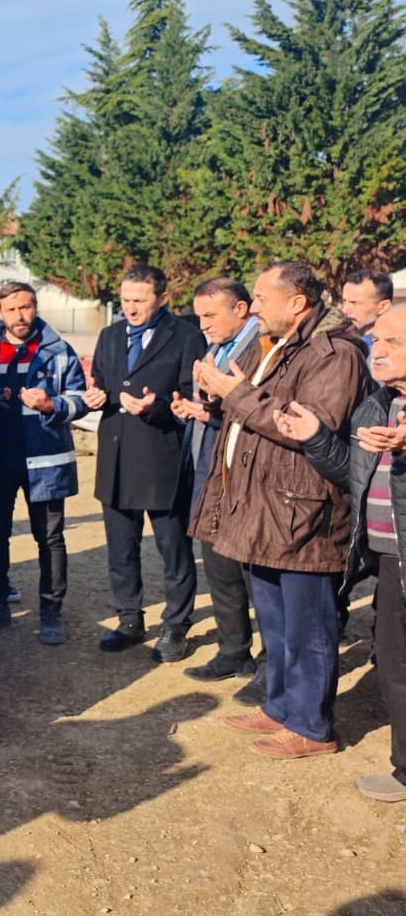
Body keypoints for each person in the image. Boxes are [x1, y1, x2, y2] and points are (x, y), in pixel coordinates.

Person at [193, 260, 370, 759]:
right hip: (262, 508)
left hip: (304, 515)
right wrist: (214, 394)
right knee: (274, 621)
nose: (254, 308)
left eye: (262, 299)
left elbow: (305, 425)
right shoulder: (271, 343)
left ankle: (312, 727)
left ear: (297, 302)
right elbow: (244, 397)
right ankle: (280, 706)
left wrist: (235, 393)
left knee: (308, 628)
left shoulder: (335, 354)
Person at [281, 303, 406, 795]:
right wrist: (315, 437)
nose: (379, 351)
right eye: (378, 340)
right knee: (394, 663)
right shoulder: (376, 405)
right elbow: (350, 473)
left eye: (394, 342)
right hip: (389, 558)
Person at [83, 264, 206, 661]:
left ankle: (176, 626)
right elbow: (102, 382)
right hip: (116, 457)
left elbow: (192, 397)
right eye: (125, 300)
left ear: (162, 298)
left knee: (174, 549)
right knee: (121, 548)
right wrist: (97, 397)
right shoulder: (110, 335)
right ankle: (129, 619)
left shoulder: (186, 336)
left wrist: (158, 407)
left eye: (139, 300)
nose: (130, 308)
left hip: (161, 457)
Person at [0, 281, 87, 645]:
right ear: (0, 312)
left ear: (35, 307)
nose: (20, 316)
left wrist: (51, 405)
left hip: (46, 460)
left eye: (26, 307)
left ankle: (51, 612)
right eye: (12, 309)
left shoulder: (58, 350)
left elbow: (81, 399)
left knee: (49, 538)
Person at [173, 279, 264, 690]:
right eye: (200, 316)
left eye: (210, 315)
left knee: (254, 575)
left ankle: (272, 662)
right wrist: (199, 407)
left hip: (246, 477)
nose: (203, 324)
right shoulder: (217, 348)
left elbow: (263, 409)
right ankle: (233, 650)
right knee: (219, 565)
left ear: (240, 309)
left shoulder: (260, 347)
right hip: (212, 472)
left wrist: (213, 406)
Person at [341, 268, 394, 348]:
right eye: (344, 301)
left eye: (354, 303)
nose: (345, 310)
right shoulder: (337, 340)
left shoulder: (389, 349)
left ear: (383, 307)